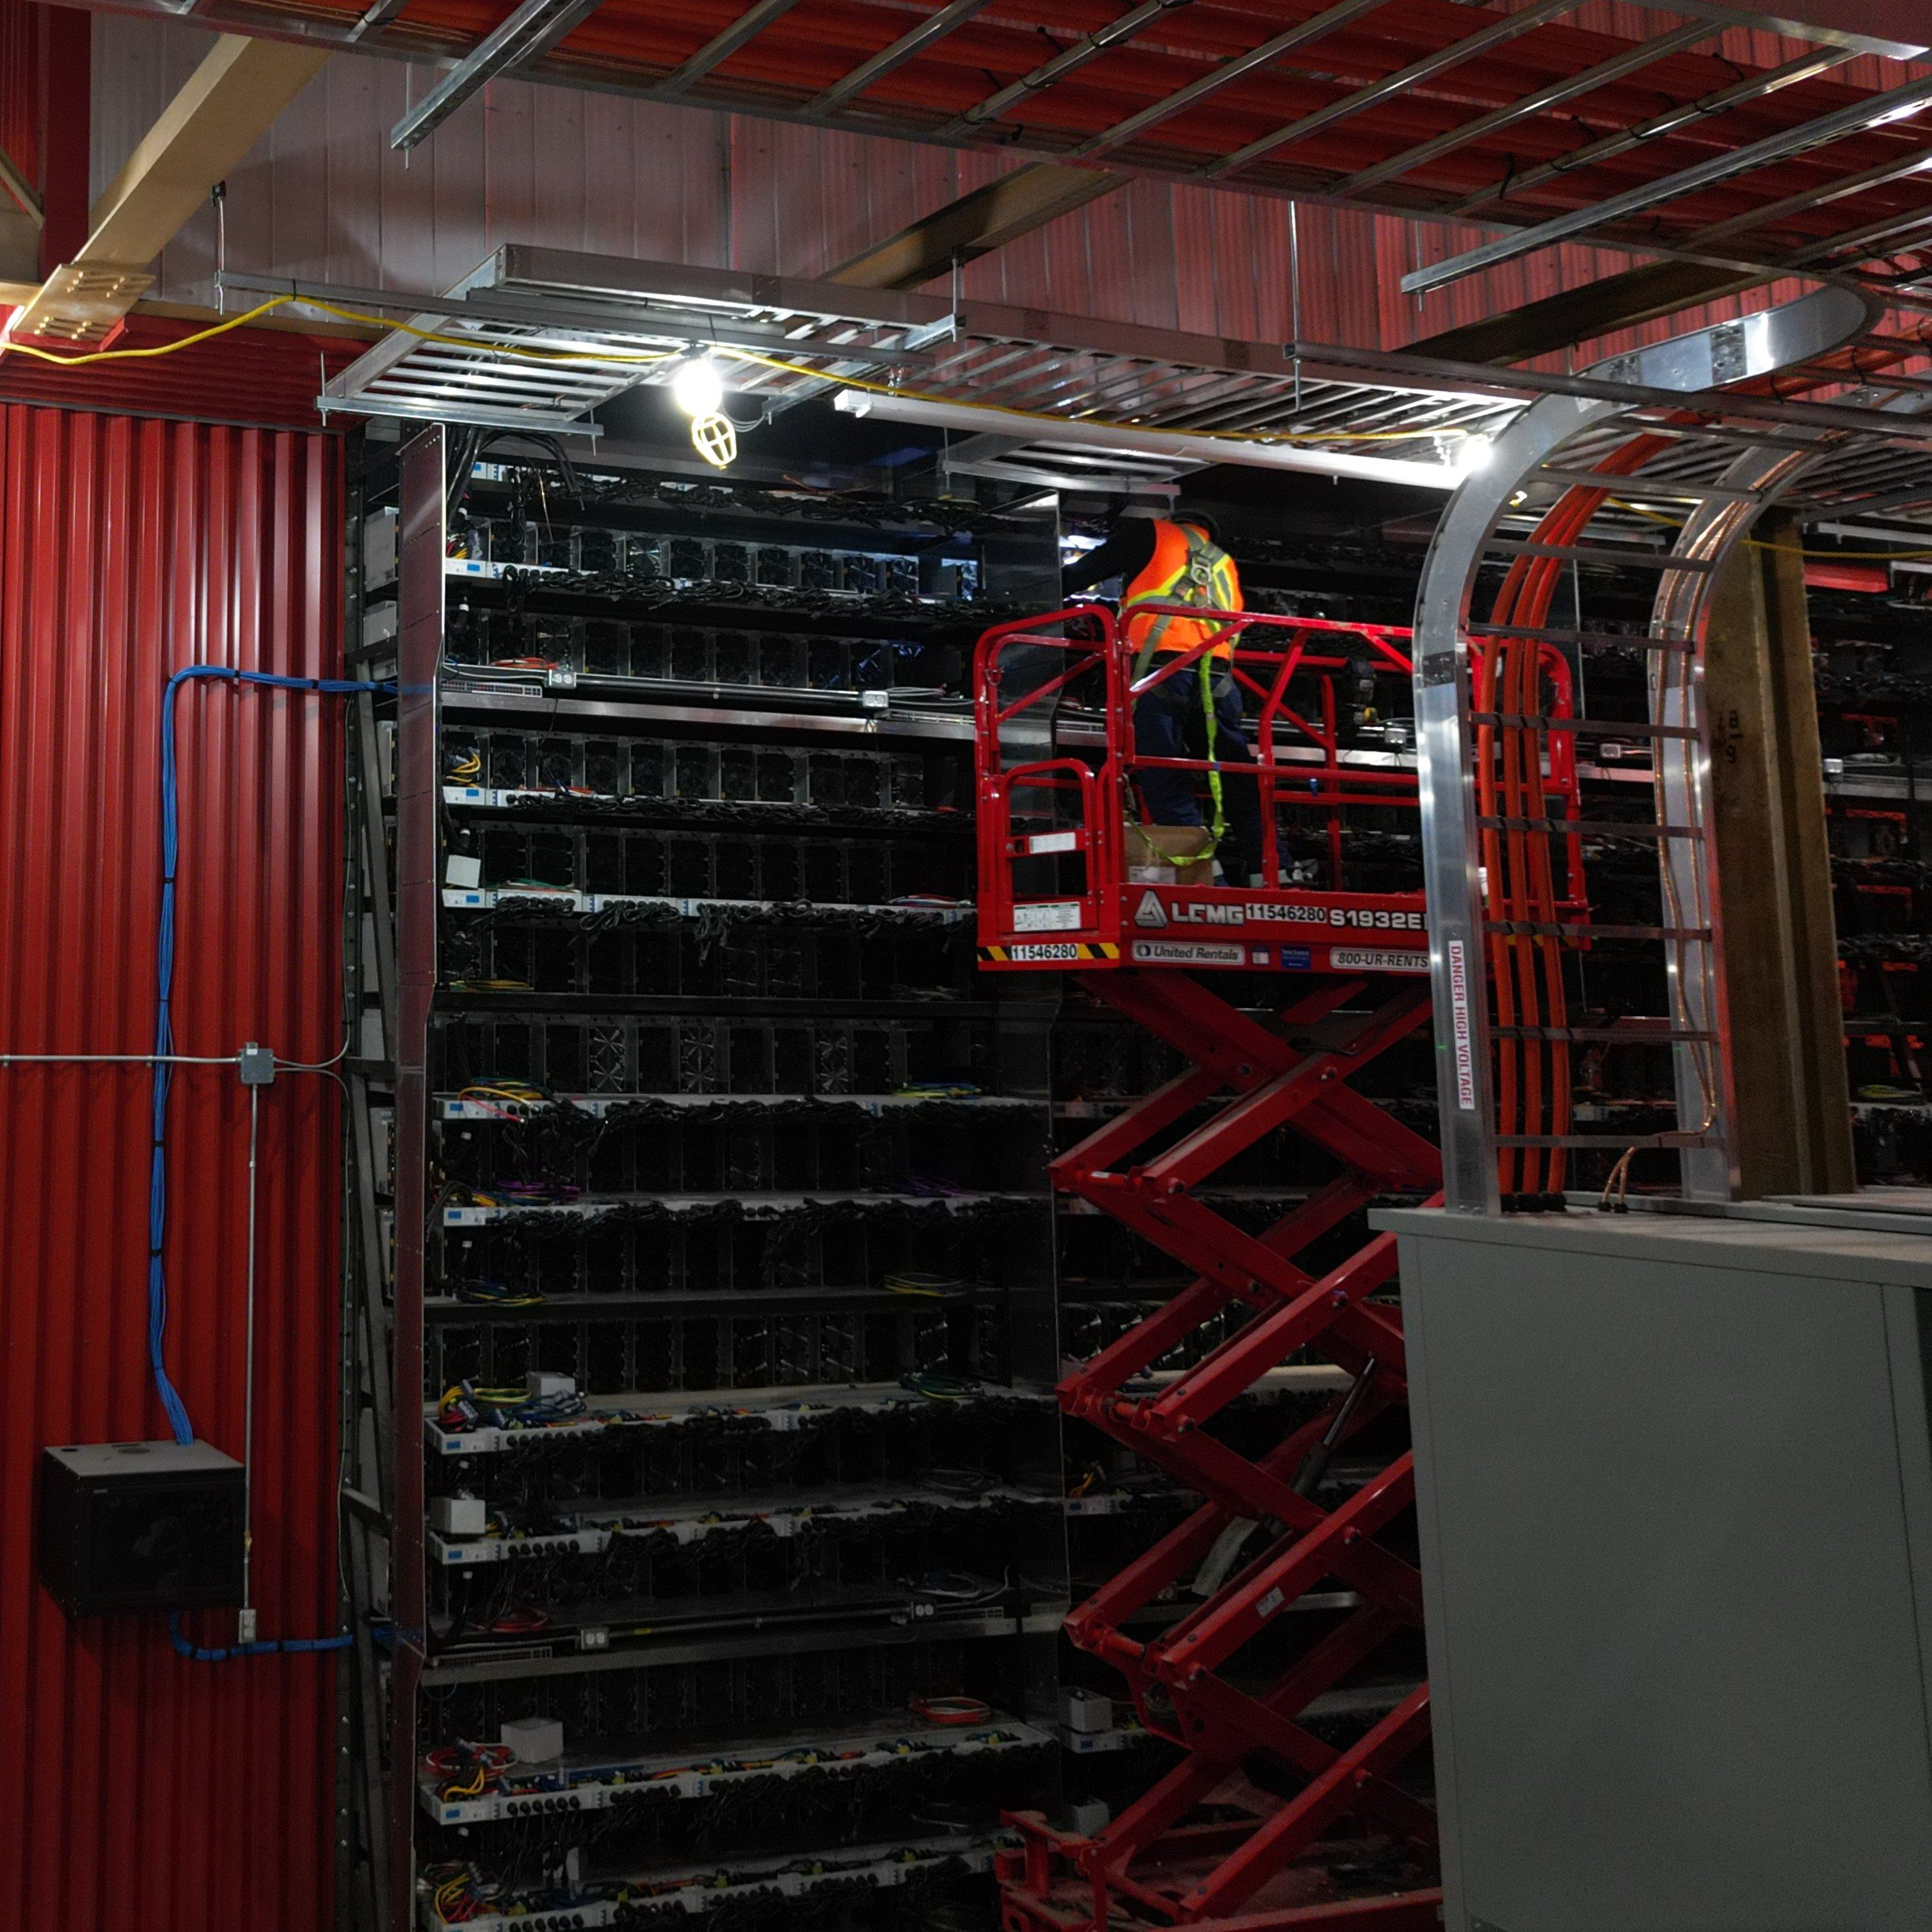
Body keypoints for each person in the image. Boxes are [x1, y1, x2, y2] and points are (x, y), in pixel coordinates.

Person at [1062, 510, 1265, 887]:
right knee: (1236, 774)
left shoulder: (1153, 533)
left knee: (1165, 772)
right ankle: (1270, 869)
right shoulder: (1224, 562)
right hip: (1218, 680)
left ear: (1175, 521)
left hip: (1162, 673)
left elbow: (1078, 575)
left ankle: (1203, 873)